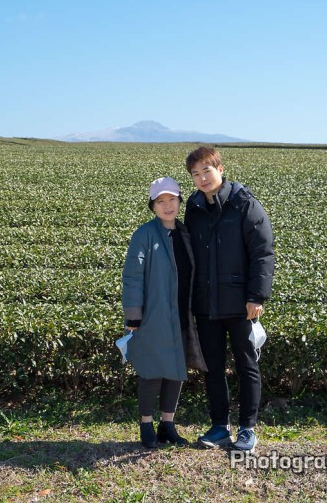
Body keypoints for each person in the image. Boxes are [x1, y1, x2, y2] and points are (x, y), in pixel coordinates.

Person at [184, 146, 274, 453]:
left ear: (221, 169)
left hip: (241, 305)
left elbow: (263, 252)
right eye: (195, 174)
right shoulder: (194, 207)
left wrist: (257, 295)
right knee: (212, 367)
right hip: (206, 304)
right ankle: (220, 426)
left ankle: (247, 428)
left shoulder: (244, 204)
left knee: (246, 365)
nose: (202, 178)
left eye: (206, 171)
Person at [122, 177, 206, 449]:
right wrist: (133, 316)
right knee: (151, 371)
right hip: (152, 317)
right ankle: (146, 425)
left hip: (181, 314)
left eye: (172, 199)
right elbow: (132, 276)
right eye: (161, 201)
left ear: (180, 201)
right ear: (153, 206)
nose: (167, 205)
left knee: (176, 370)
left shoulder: (185, 232)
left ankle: (167, 424)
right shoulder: (144, 234)